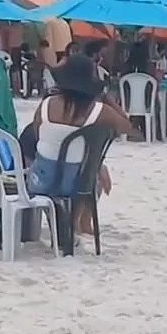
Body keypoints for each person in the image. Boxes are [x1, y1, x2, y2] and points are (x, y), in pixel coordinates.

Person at [25, 54, 132, 235]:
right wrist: (106, 99)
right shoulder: (99, 111)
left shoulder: (46, 105)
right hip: (76, 185)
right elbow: (126, 126)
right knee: (90, 174)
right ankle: (75, 224)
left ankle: (61, 223)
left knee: (49, 164)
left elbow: (37, 135)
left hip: (40, 182)